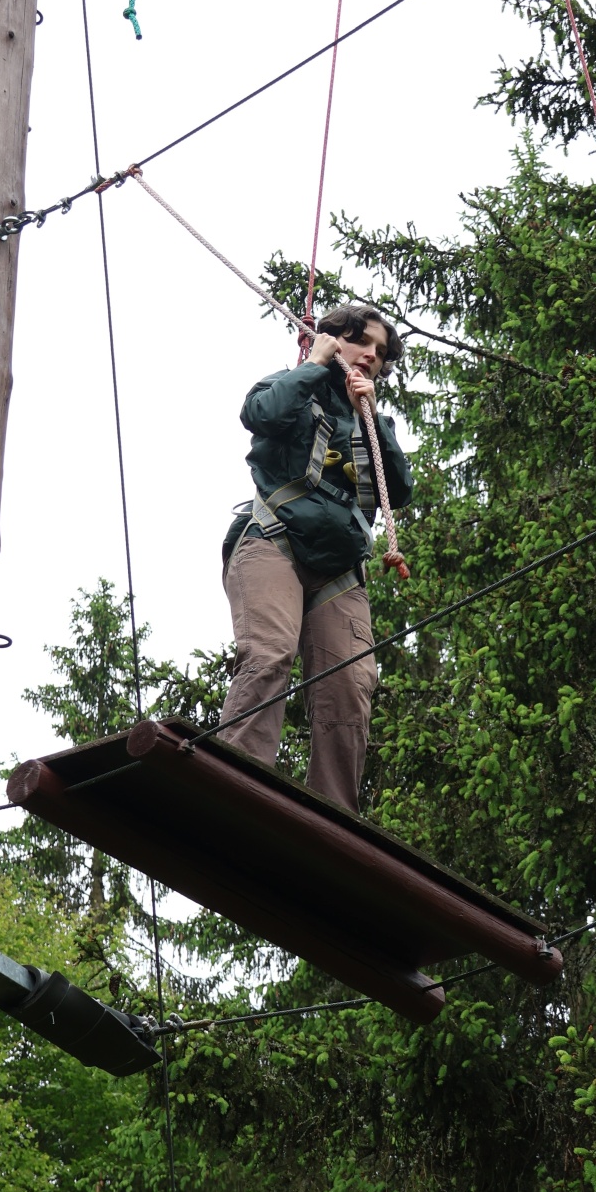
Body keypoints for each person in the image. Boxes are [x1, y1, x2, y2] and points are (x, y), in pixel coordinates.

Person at [217, 303, 414, 811]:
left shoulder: (373, 422)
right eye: (360, 341)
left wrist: (372, 417)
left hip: (338, 571)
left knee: (350, 684)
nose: (370, 355)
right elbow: (259, 415)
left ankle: (333, 813)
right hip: (273, 541)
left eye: (379, 351)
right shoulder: (292, 387)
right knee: (269, 653)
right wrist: (314, 365)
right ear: (331, 338)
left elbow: (398, 489)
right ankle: (237, 779)